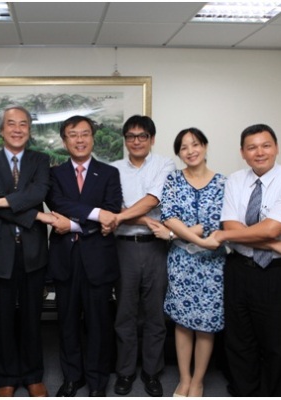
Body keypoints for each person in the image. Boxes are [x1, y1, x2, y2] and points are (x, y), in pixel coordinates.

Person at [211, 123, 281, 396]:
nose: (259, 152)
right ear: (242, 153)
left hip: (276, 274)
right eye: (252, 147)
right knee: (239, 342)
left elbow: (270, 227)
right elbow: (230, 228)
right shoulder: (234, 180)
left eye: (266, 145)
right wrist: (276, 245)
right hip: (239, 270)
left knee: (275, 344)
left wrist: (269, 239)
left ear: (276, 148)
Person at [0, 106, 54, 397]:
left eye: (23, 124)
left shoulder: (40, 160)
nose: (17, 129)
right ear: (2, 129)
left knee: (33, 318)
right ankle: (6, 378)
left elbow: (38, 193)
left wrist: (0, 203)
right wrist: (36, 216)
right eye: (11, 124)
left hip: (33, 251)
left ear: (29, 130)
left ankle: (33, 376)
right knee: (2, 317)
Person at [46, 115, 123, 397]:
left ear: (92, 137)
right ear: (64, 140)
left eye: (85, 134)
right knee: (66, 322)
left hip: (98, 259)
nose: (80, 139)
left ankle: (97, 381)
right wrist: (94, 213)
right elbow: (57, 203)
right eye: (73, 134)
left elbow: (112, 210)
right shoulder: (54, 174)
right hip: (65, 259)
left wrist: (73, 224)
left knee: (98, 324)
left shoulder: (109, 173)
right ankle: (71, 377)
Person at [151, 128, 227, 397]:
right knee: (183, 323)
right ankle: (184, 379)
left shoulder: (222, 183)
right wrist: (198, 238)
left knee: (206, 324)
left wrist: (177, 234)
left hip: (212, 265)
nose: (190, 151)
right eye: (184, 147)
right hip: (181, 260)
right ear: (179, 153)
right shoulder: (172, 179)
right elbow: (168, 216)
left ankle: (198, 381)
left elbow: (216, 222)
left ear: (205, 147)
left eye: (195, 144)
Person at [108, 115, 175, 397]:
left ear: (152, 139)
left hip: (156, 248)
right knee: (124, 313)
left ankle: (151, 372)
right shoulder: (112, 169)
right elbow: (111, 208)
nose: (136, 141)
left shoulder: (165, 165)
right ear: (125, 140)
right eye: (131, 136)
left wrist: (125, 216)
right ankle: (125, 372)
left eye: (142, 136)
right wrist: (145, 219)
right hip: (122, 248)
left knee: (154, 314)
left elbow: (153, 198)